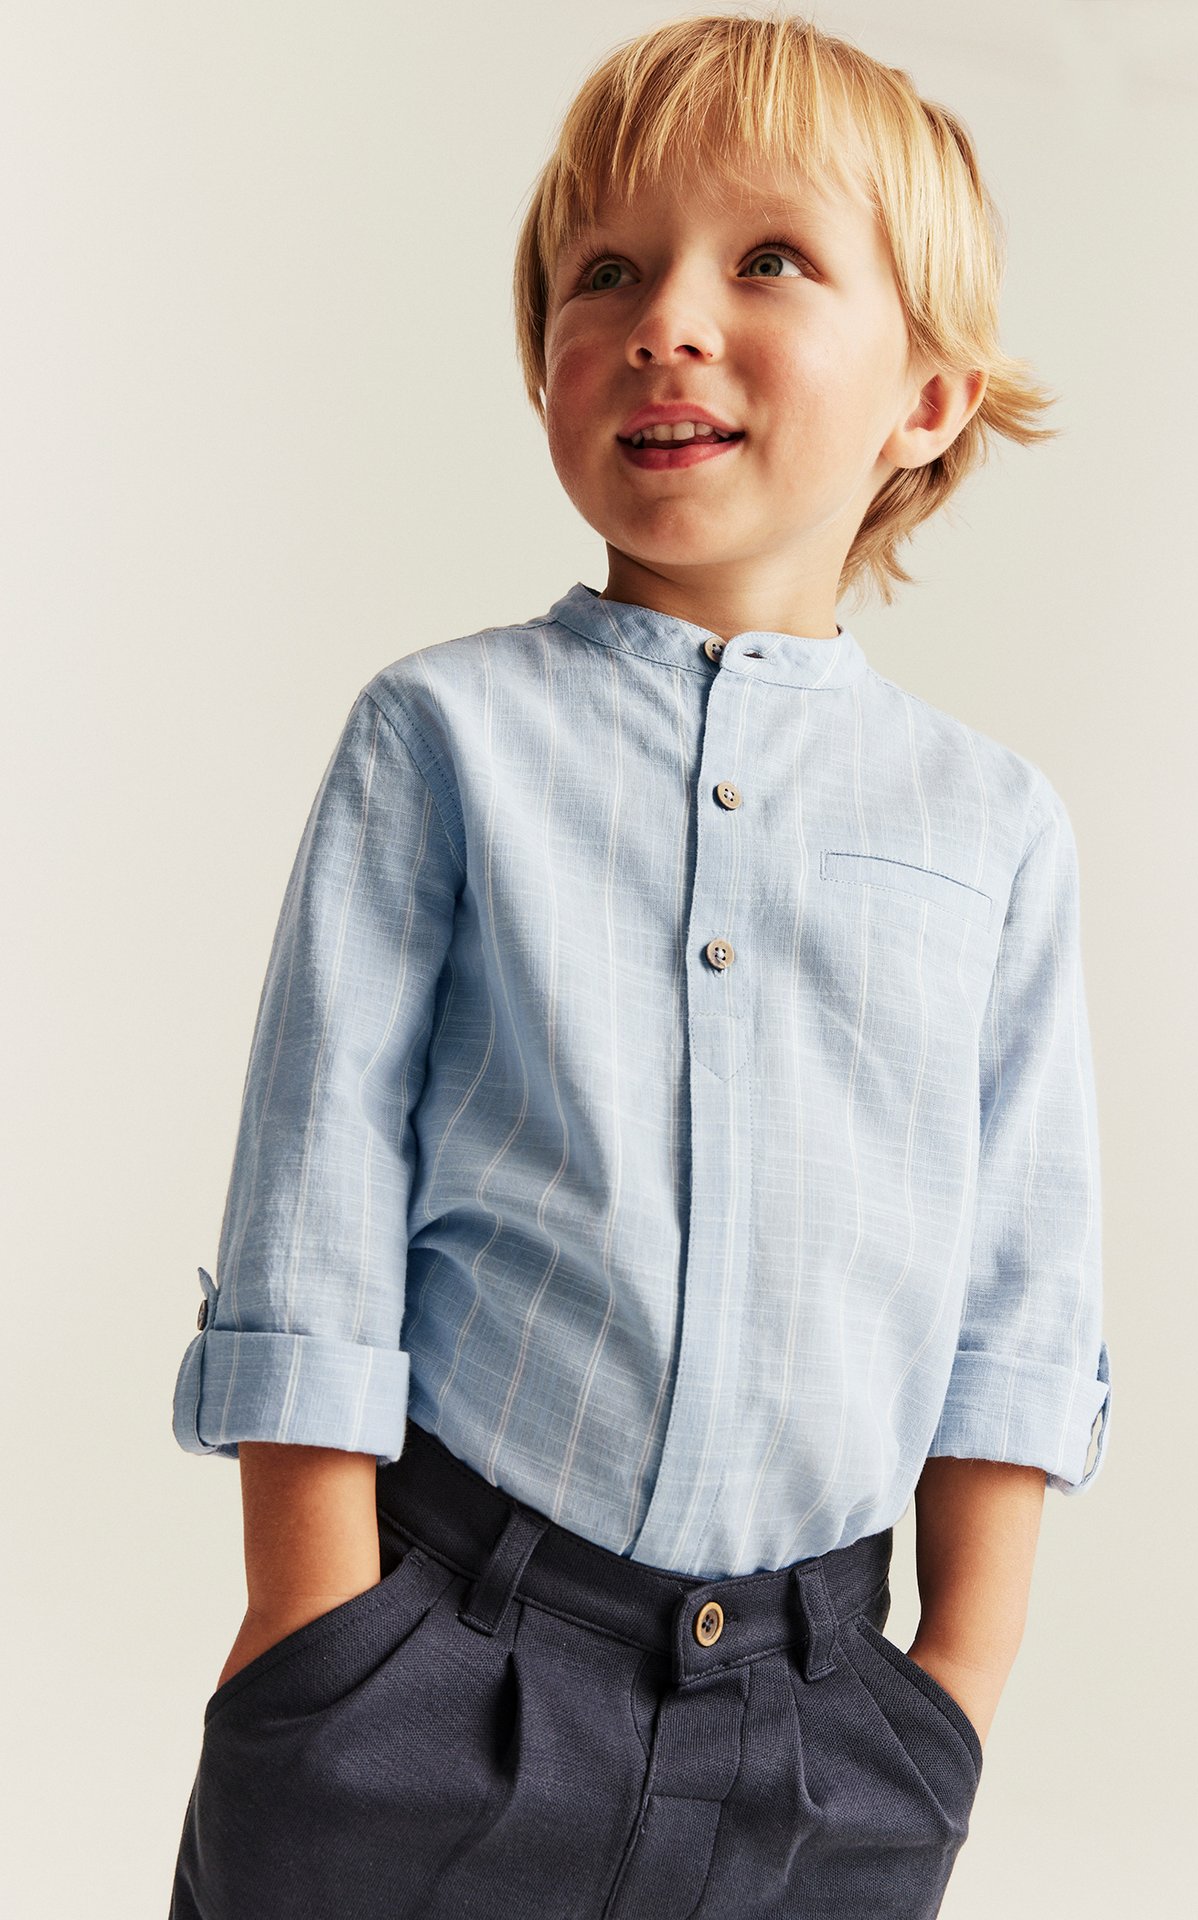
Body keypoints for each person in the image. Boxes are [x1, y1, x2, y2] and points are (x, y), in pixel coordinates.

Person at [167, 11, 1113, 1918]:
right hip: (435, 1649)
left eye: (766, 259)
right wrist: (315, 1631)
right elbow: (316, 1198)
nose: (665, 316)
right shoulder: (439, 737)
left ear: (929, 395)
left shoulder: (993, 825)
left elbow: (1021, 1295)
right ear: (546, 371)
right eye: (606, 269)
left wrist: (958, 1692)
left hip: (824, 1718)